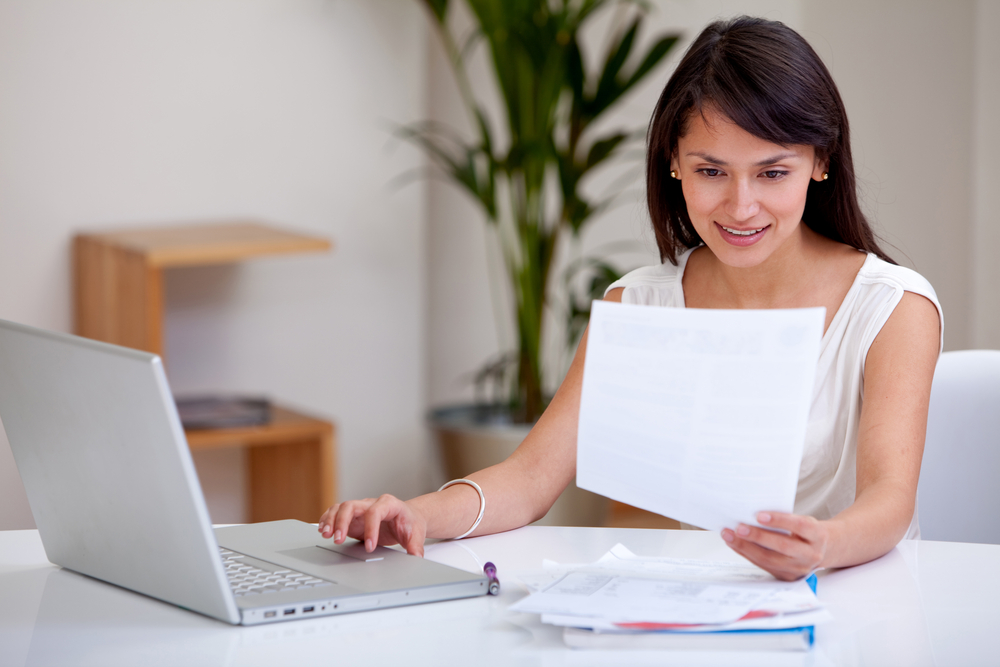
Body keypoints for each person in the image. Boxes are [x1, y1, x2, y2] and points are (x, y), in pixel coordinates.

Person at [318, 16, 942, 581]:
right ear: (674, 163)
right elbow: (530, 478)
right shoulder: (638, 306)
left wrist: (820, 546)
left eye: (772, 173)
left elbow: (890, 501)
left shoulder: (892, 309)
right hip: (707, 610)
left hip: (858, 602)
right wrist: (416, 514)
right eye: (711, 171)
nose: (741, 206)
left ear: (821, 161)